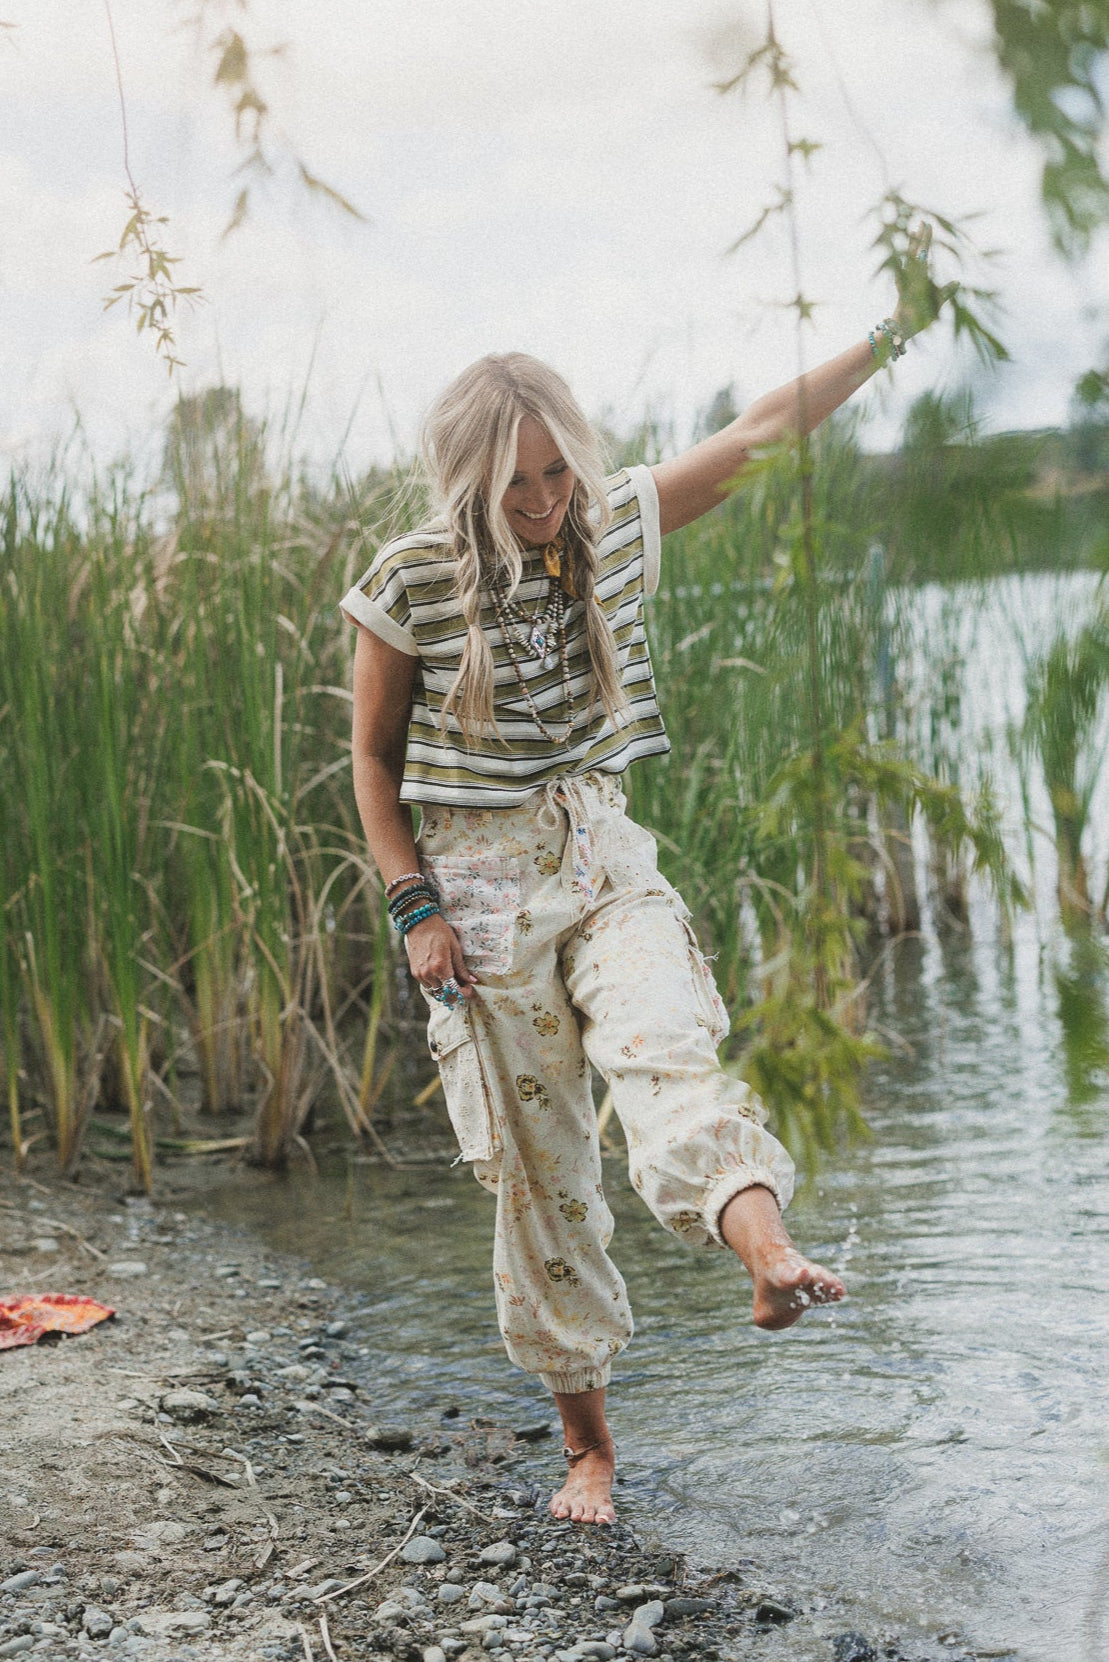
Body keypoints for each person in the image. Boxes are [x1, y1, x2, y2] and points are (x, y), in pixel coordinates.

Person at [343, 233, 948, 1525]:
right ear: (468, 480)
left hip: (595, 843)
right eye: (518, 484)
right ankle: (589, 1450)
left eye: (559, 471)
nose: (546, 499)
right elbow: (371, 761)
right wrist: (415, 911)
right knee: (536, 1165)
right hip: (476, 882)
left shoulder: (610, 525)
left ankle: (767, 1250)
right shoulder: (408, 581)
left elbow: (764, 426)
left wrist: (892, 332)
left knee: (667, 1045)